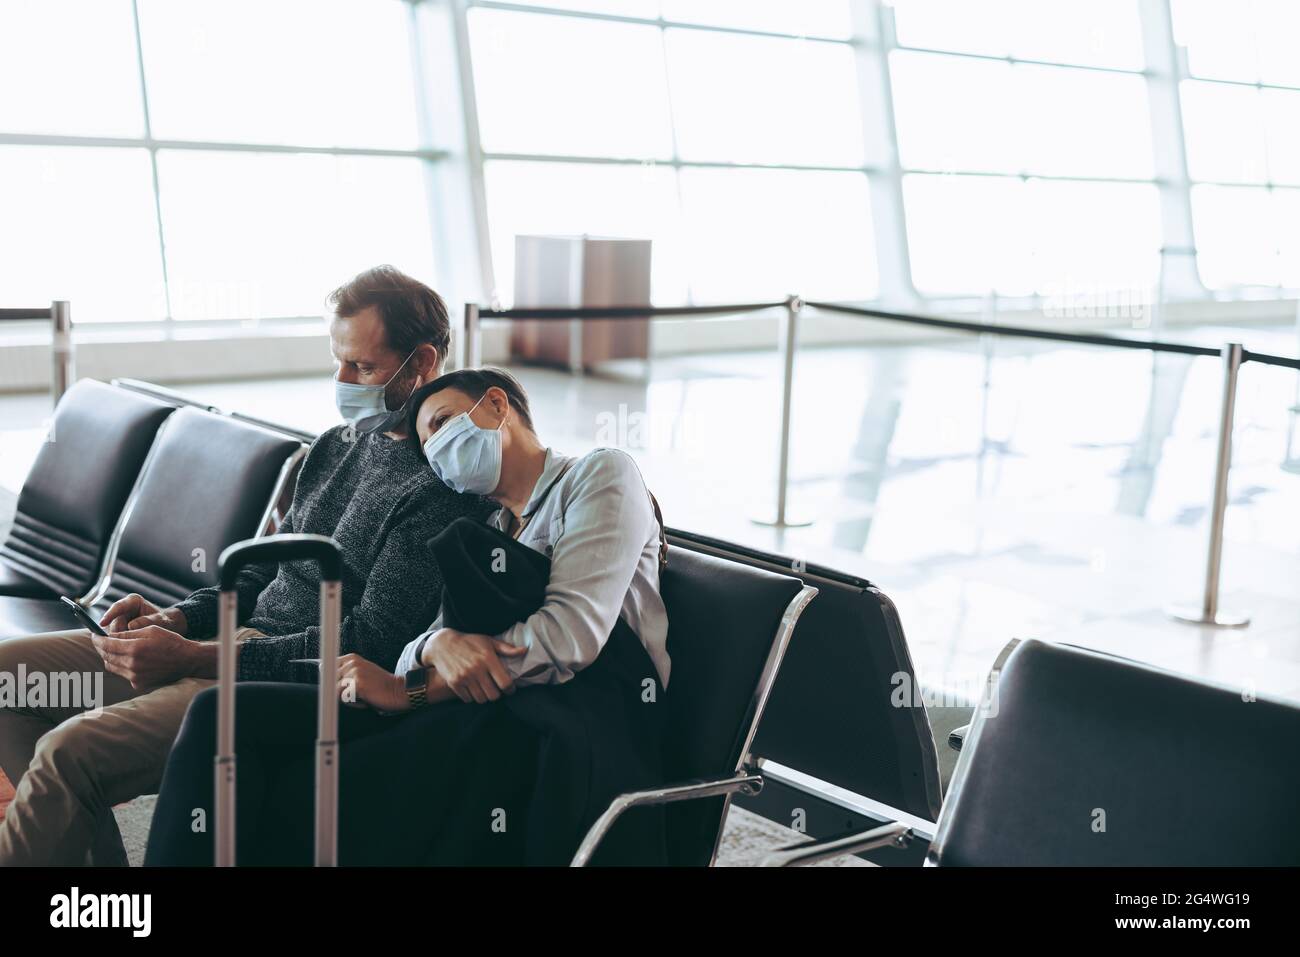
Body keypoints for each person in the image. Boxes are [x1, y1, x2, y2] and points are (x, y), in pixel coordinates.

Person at [0, 266, 492, 866]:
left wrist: (196, 657)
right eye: (337, 361)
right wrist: (178, 619)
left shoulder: (440, 490)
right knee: (9, 680)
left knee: (67, 752)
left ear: (420, 365)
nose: (341, 380)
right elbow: (259, 577)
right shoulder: (336, 446)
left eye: (361, 367)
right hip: (222, 643)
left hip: (278, 680)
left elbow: (369, 644)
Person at [146, 367, 670, 866]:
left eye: (443, 422)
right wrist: (433, 648)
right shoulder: (486, 522)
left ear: (495, 404)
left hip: (558, 726)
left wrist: (408, 691)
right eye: (428, 446)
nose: (439, 451)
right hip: (472, 712)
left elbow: (567, 638)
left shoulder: (598, 475)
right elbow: (422, 640)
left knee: (305, 781)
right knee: (224, 716)